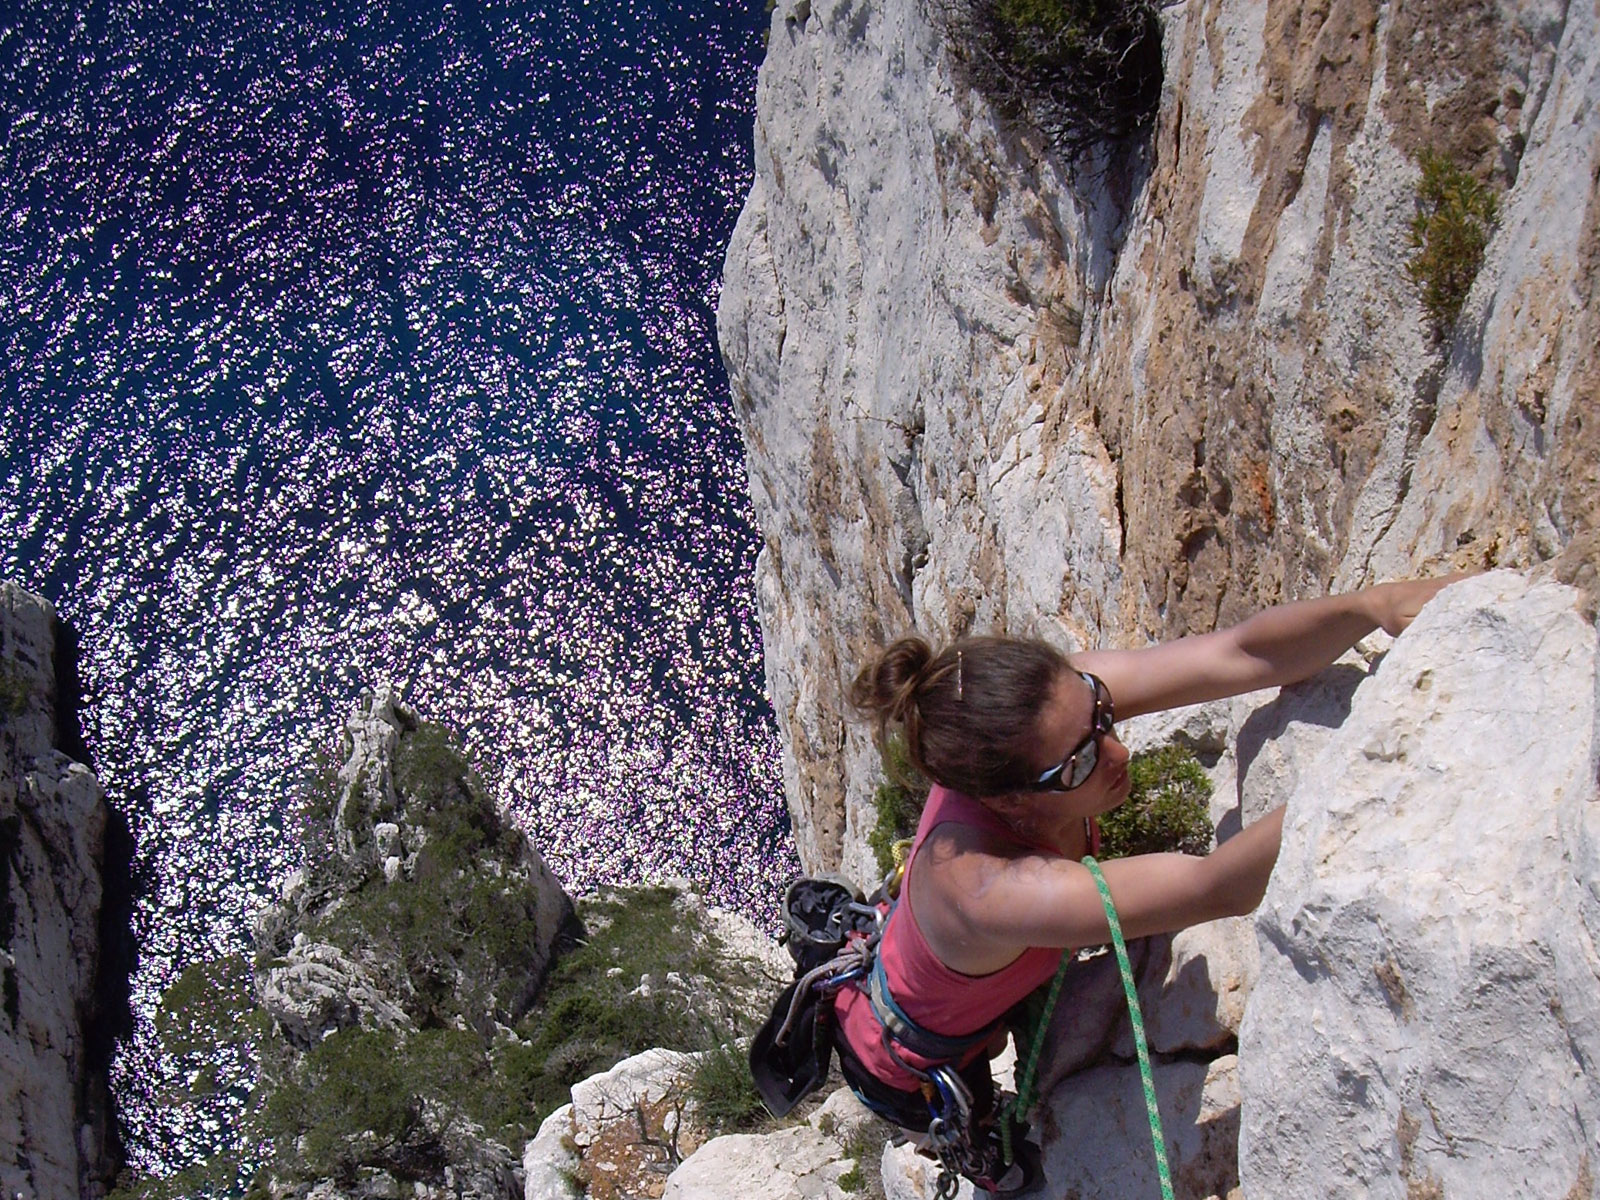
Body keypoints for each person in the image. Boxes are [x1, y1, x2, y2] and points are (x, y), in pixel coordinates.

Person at [831, 575, 1460, 1192]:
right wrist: (1371, 765)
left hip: (942, 968)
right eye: (1082, 760)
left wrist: (1371, 606)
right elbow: (1218, 887)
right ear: (1013, 800)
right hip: (902, 1058)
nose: (1118, 751)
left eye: (1101, 713)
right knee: (999, 1149)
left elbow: (1237, 654)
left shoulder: (1039, 715)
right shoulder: (990, 890)